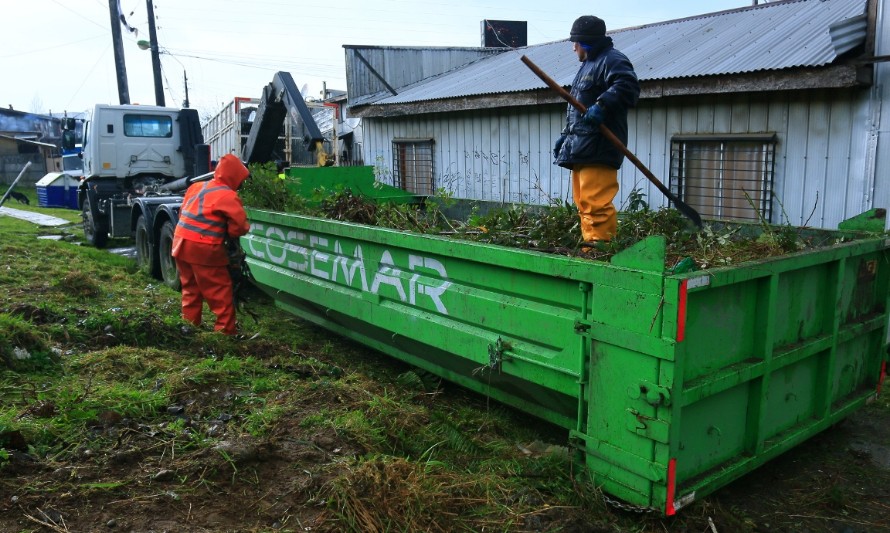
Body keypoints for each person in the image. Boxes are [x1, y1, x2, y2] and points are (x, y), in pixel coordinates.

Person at [553, 15, 640, 247]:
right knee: (583, 202)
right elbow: (578, 107)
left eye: (576, 42)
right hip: (582, 146)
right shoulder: (587, 67)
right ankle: (589, 245)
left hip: (600, 146)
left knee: (595, 204)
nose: (573, 48)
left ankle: (600, 249)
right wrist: (566, 135)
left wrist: (602, 106)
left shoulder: (612, 60)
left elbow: (627, 85)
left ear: (586, 42)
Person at [172, 153, 251, 335]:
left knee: (190, 289)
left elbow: (183, 212)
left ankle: (190, 327)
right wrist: (230, 235)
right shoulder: (228, 195)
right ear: (235, 177)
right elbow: (240, 226)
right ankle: (225, 334)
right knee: (219, 292)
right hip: (203, 248)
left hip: (180, 243)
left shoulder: (196, 186)